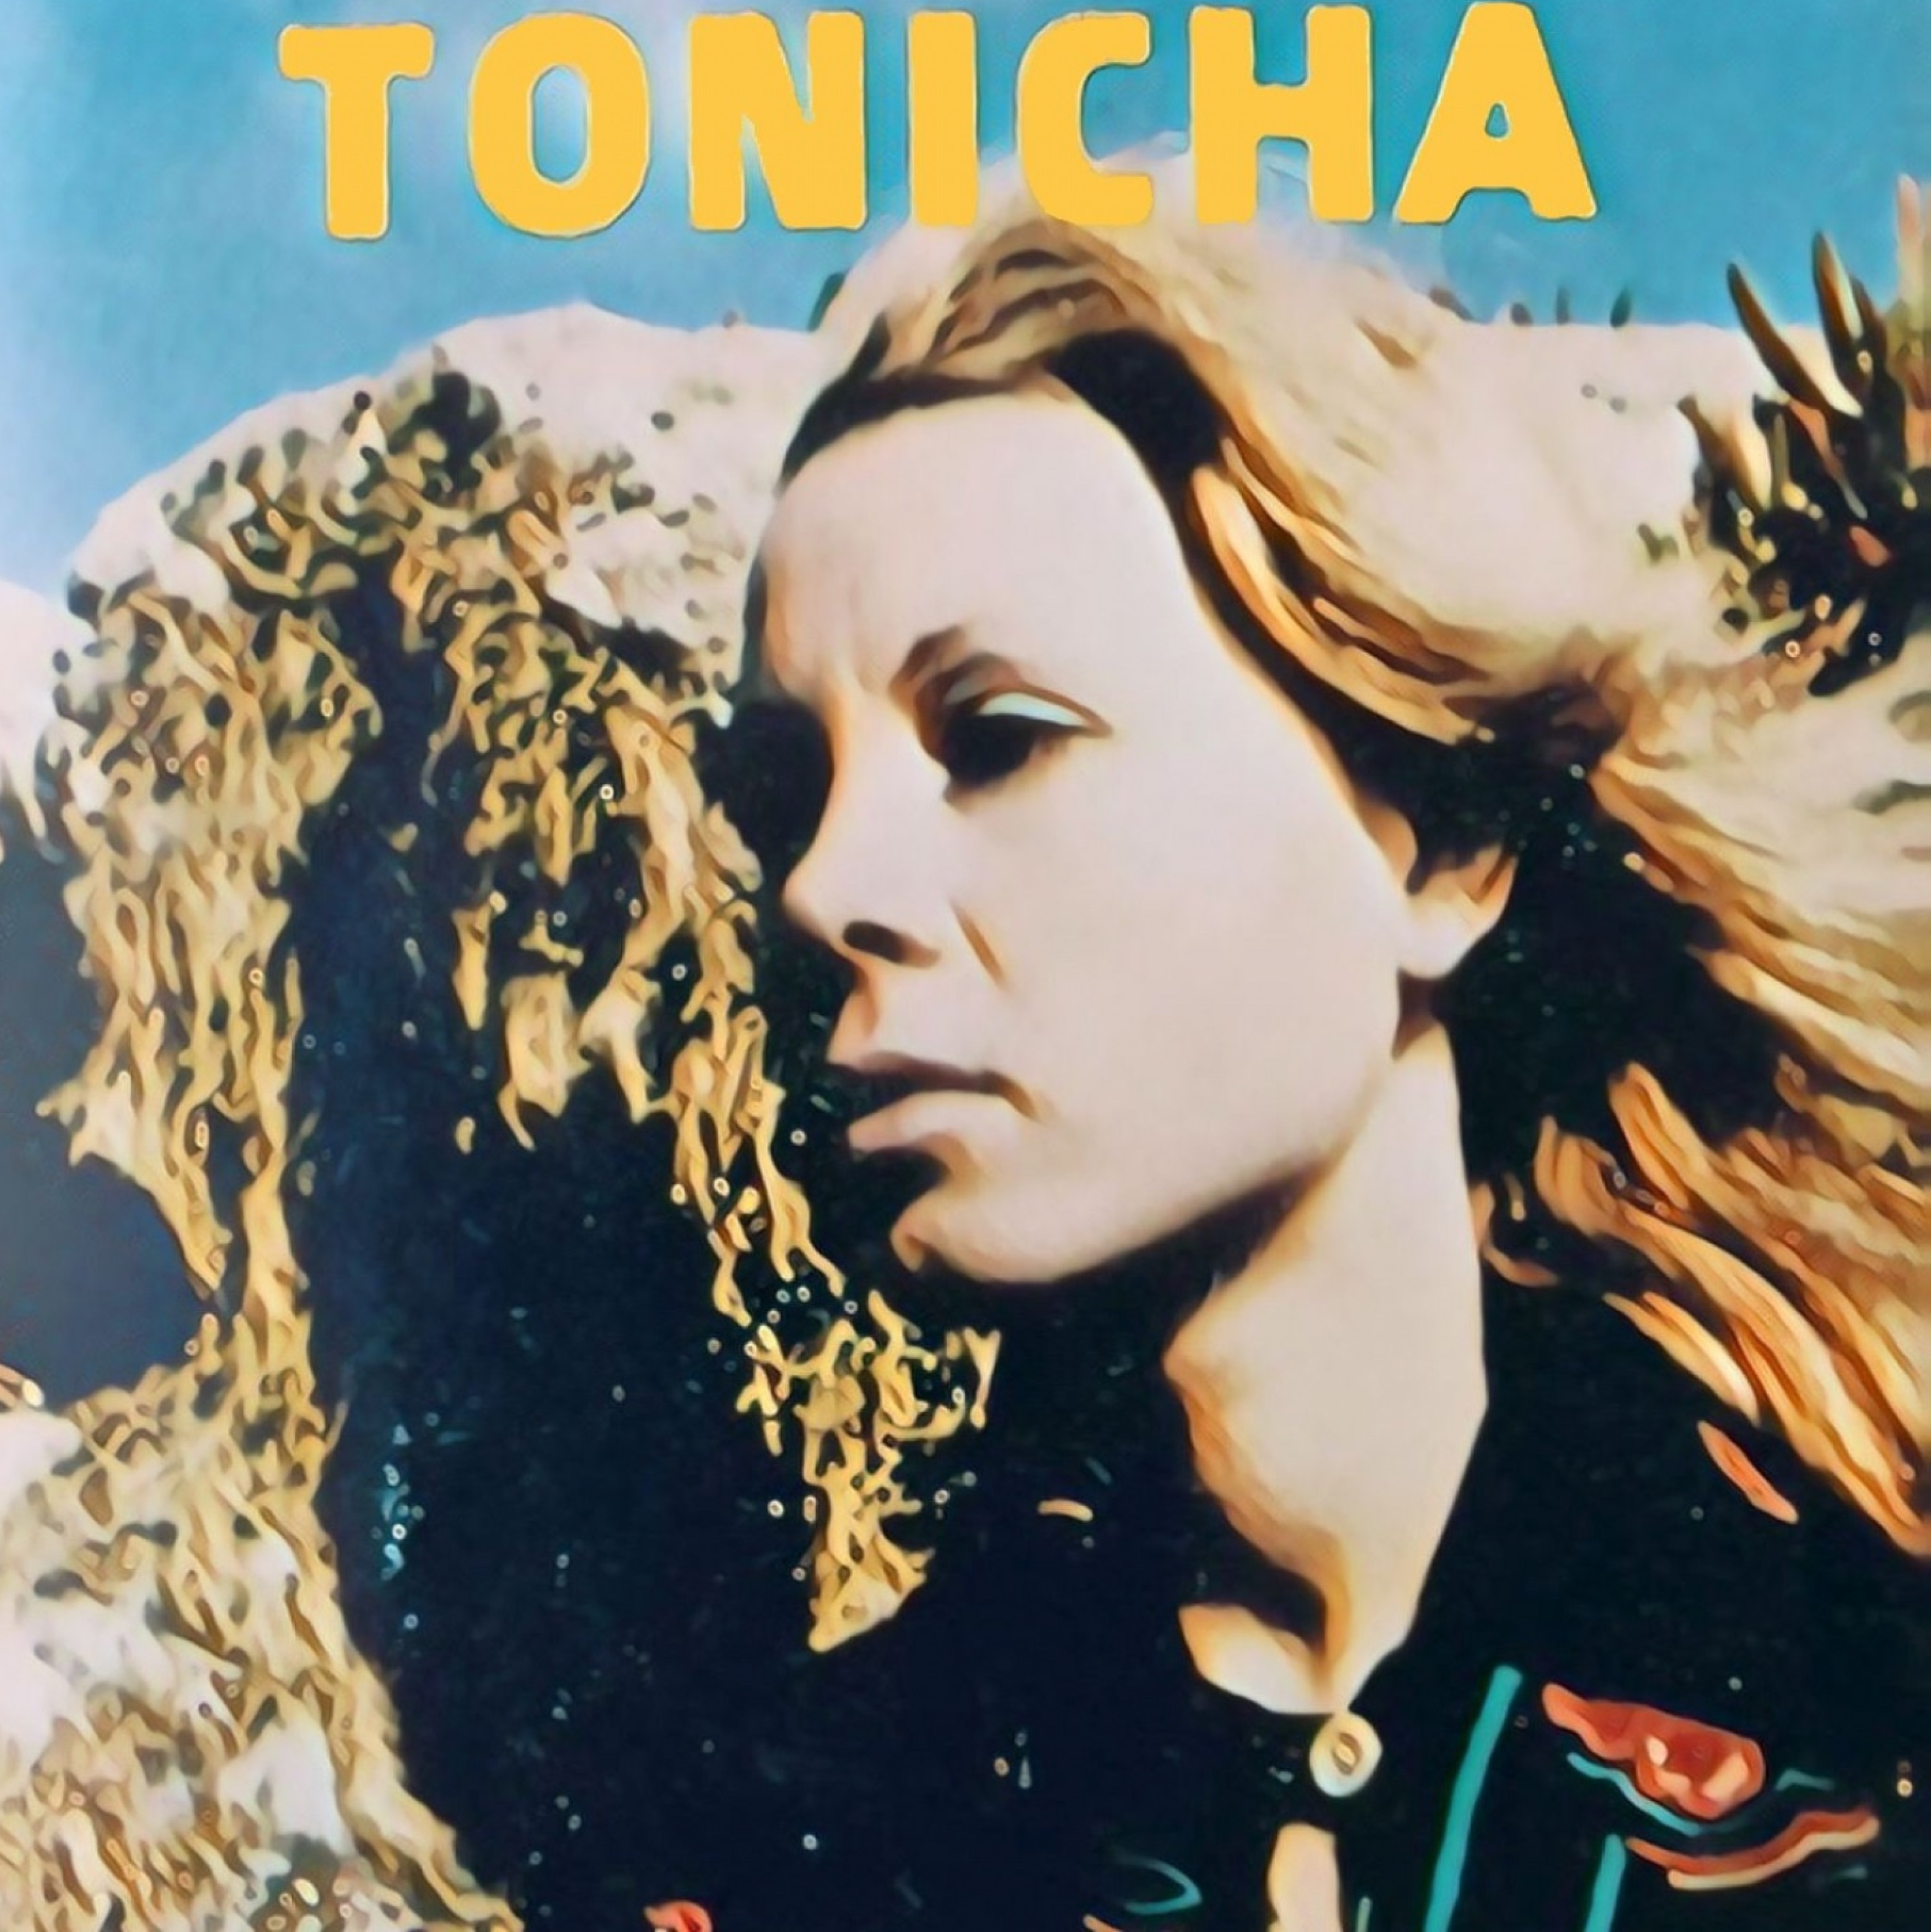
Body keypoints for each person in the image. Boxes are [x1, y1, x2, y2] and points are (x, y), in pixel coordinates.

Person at [733, 194, 1930, 1929]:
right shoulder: (817, 1849)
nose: (824, 883)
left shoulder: (1866, 1708)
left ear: (1440, 846)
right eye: (784, 792)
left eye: (996, 736)